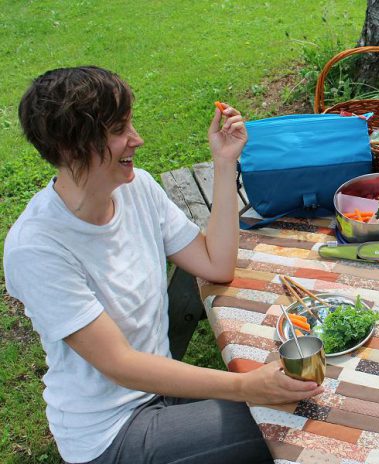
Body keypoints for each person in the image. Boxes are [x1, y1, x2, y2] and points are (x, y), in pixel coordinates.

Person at [4, 66, 323, 464]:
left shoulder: (138, 189)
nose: (137, 139)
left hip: (162, 390)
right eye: (119, 130)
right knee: (295, 418)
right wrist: (247, 387)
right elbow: (121, 366)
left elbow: (215, 265)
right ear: (73, 149)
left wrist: (224, 164)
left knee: (306, 385)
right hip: (112, 431)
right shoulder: (37, 247)